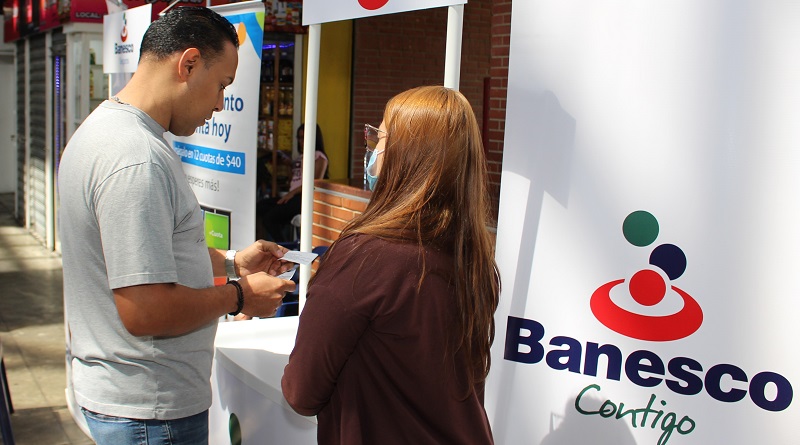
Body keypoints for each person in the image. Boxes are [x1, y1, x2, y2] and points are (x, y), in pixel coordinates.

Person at [57, 7, 296, 445]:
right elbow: (144, 309)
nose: (221, 103)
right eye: (222, 84)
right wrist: (240, 295)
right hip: (150, 411)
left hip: (128, 401)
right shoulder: (135, 158)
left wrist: (231, 262)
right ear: (187, 64)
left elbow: (150, 254)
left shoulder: (105, 131)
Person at [281, 86, 501, 444]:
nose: (372, 148)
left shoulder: (366, 257)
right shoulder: (471, 257)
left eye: (380, 136)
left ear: (407, 156)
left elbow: (301, 390)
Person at [257, 123, 328, 241]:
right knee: (261, 206)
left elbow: (314, 183)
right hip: (291, 196)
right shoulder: (300, 156)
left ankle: (284, 249)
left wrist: (292, 193)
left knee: (269, 218)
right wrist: (290, 165)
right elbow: (295, 178)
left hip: (302, 197)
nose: (301, 141)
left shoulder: (319, 157)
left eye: (304, 138)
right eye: (299, 138)